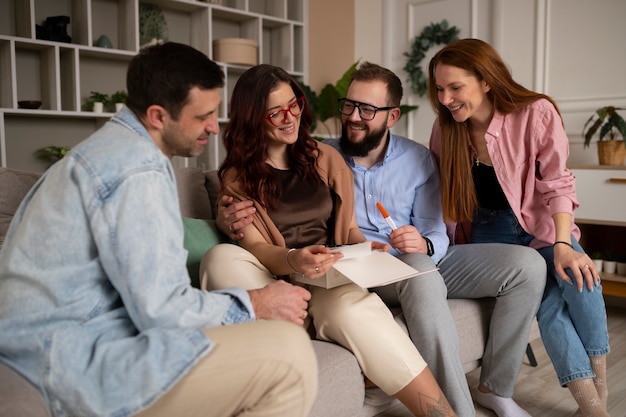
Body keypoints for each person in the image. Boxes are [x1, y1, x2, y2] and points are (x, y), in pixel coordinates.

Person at [0, 42, 318, 417]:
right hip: (72, 359)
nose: (214, 128)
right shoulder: (136, 173)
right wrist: (257, 302)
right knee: (290, 353)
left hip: (53, 343)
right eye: (203, 117)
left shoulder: (106, 150)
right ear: (157, 115)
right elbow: (162, 309)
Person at [216, 62, 547, 417]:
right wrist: (224, 218)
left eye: (368, 110)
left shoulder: (404, 158)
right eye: (349, 106)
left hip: (406, 257)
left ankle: (494, 390)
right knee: (416, 275)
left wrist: (422, 244)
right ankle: (458, 411)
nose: (354, 117)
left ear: (392, 117)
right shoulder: (324, 152)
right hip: (346, 269)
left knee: (527, 265)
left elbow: (431, 231)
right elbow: (261, 228)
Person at [200, 64, 458, 416]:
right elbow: (256, 249)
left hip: (326, 275)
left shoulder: (325, 158)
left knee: (354, 309)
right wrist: (294, 259)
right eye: (276, 112)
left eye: (294, 105)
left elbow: (348, 230)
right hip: (272, 277)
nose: (289, 117)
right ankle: (293, 331)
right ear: (252, 117)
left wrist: (368, 249)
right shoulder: (237, 178)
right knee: (220, 258)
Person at [427, 38, 611, 417]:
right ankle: (594, 408)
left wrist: (563, 243)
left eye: (455, 87)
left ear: (487, 81)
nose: (445, 98)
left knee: (580, 276)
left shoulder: (535, 113)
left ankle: (598, 395)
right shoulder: (446, 129)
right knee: (547, 304)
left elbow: (558, 183)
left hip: (543, 226)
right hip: (487, 233)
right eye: (440, 89)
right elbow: (437, 192)